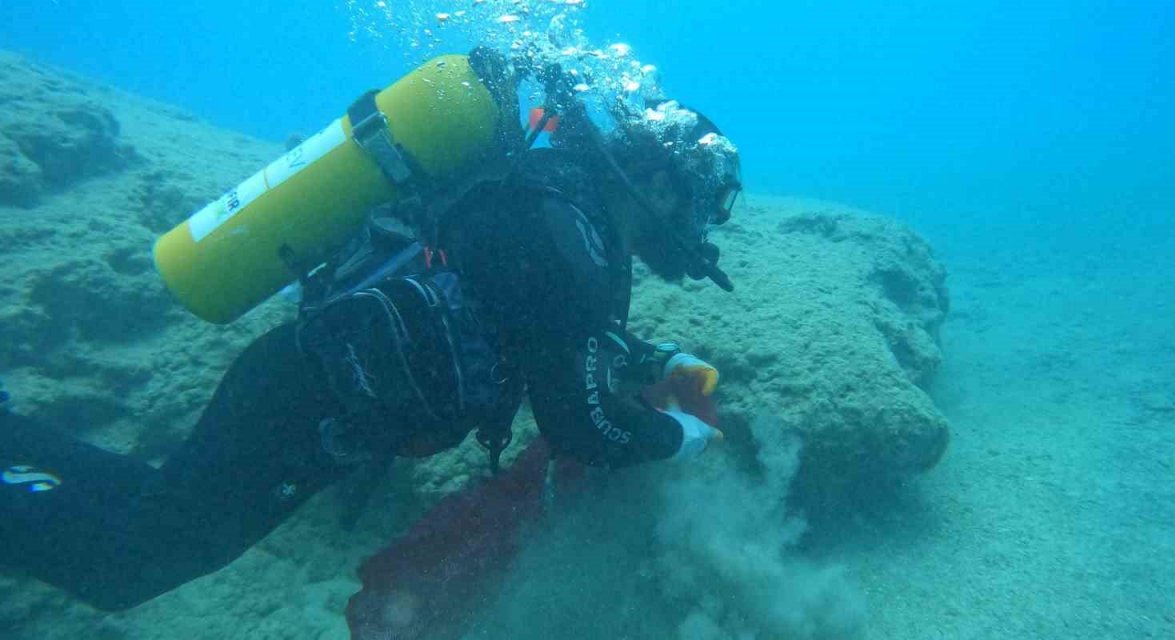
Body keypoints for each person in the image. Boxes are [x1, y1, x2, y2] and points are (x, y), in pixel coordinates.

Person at [0, 55, 743, 611]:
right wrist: (679, 437)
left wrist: (653, 358)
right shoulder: (567, 235)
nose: (699, 235)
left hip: (306, 386)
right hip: (307, 405)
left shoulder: (560, 204)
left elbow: (543, 328)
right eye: (701, 209)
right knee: (127, 567)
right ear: (660, 183)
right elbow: (581, 429)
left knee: (156, 508)